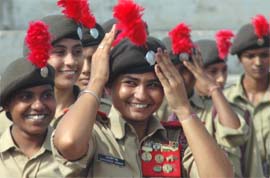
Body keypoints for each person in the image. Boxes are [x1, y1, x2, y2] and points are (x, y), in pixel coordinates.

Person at [51, 20, 233, 177]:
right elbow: (69, 143)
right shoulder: (95, 133)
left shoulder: (177, 140)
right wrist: (96, 81)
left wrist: (184, 109)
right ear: (110, 86)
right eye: (130, 83)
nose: (141, 95)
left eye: (153, 85)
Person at [156, 23, 251, 177]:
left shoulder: (214, 109)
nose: (182, 79)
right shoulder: (154, 108)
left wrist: (213, 88)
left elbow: (236, 135)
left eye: (189, 71)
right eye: (177, 71)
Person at [194, 37, 264, 177]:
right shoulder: (179, 112)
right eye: (212, 72)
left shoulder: (239, 113)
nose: (221, 79)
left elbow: (253, 167)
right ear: (193, 72)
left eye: (224, 71)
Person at [0, 21, 63, 177]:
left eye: (47, 95)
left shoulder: (71, 153)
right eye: (26, 97)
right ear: (7, 104)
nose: (38, 105)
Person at [224, 14, 270, 177]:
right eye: (250, 56)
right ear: (239, 59)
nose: (258, 62)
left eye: (264, 55)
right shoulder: (225, 100)